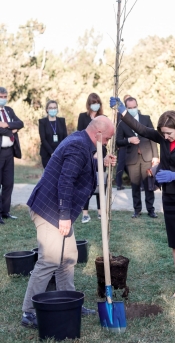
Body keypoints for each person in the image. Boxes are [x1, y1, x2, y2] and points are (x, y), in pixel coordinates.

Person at [21, 116, 116, 328]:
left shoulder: (82, 142)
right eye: (107, 138)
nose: (107, 143)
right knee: (50, 260)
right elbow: (66, 181)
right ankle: (28, 312)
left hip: (57, 209)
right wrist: (64, 216)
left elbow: (79, 167)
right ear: (98, 133)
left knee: (68, 256)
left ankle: (69, 301)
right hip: (50, 211)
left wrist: (100, 162)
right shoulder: (78, 145)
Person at [110, 97, 175, 305]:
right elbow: (141, 129)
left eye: (169, 133)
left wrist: (174, 176)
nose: (166, 137)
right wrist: (122, 111)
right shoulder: (162, 137)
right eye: (163, 133)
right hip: (169, 197)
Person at [116, 97, 159, 219]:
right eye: (129, 108)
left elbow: (153, 138)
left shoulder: (146, 118)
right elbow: (118, 142)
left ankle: (151, 210)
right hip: (132, 158)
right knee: (135, 185)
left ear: (137, 106)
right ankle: (137, 210)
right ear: (126, 108)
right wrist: (128, 140)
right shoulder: (122, 122)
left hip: (147, 156)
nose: (132, 109)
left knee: (148, 185)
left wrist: (155, 156)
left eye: (134, 107)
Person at [77, 93, 105, 222]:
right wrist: (91, 151)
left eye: (97, 102)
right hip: (87, 154)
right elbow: (81, 135)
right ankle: (85, 213)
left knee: (100, 183)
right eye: (93, 102)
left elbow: (106, 136)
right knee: (86, 183)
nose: (95, 104)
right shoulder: (83, 117)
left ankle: (100, 212)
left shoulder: (103, 117)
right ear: (89, 104)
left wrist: (100, 151)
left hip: (101, 154)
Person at [0, 87, 24, 224]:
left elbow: (20, 123)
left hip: (9, 152)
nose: (3, 98)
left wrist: (6, 124)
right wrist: (10, 131)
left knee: (8, 183)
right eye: (1, 96)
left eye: (5, 96)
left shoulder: (9, 110)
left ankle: (5, 211)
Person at [39, 100, 67, 168]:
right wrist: (52, 153)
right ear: (47, 109)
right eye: (51, 108)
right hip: (47, 154)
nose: (53, 109)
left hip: (60, 153)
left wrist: (60, 151)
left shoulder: (61, 121)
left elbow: (65, 138)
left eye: (55, 108)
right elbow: (43, 139)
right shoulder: (42, 122)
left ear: (57, 109)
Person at [115, 94, 131, 190]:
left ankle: (138, 182)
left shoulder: (138, 113)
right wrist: (117, 143)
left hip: (133, 143)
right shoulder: (119, 114)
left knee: (130, 164)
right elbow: (117, 128)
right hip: (123, 142)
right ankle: (118, 184)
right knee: (121, 164)